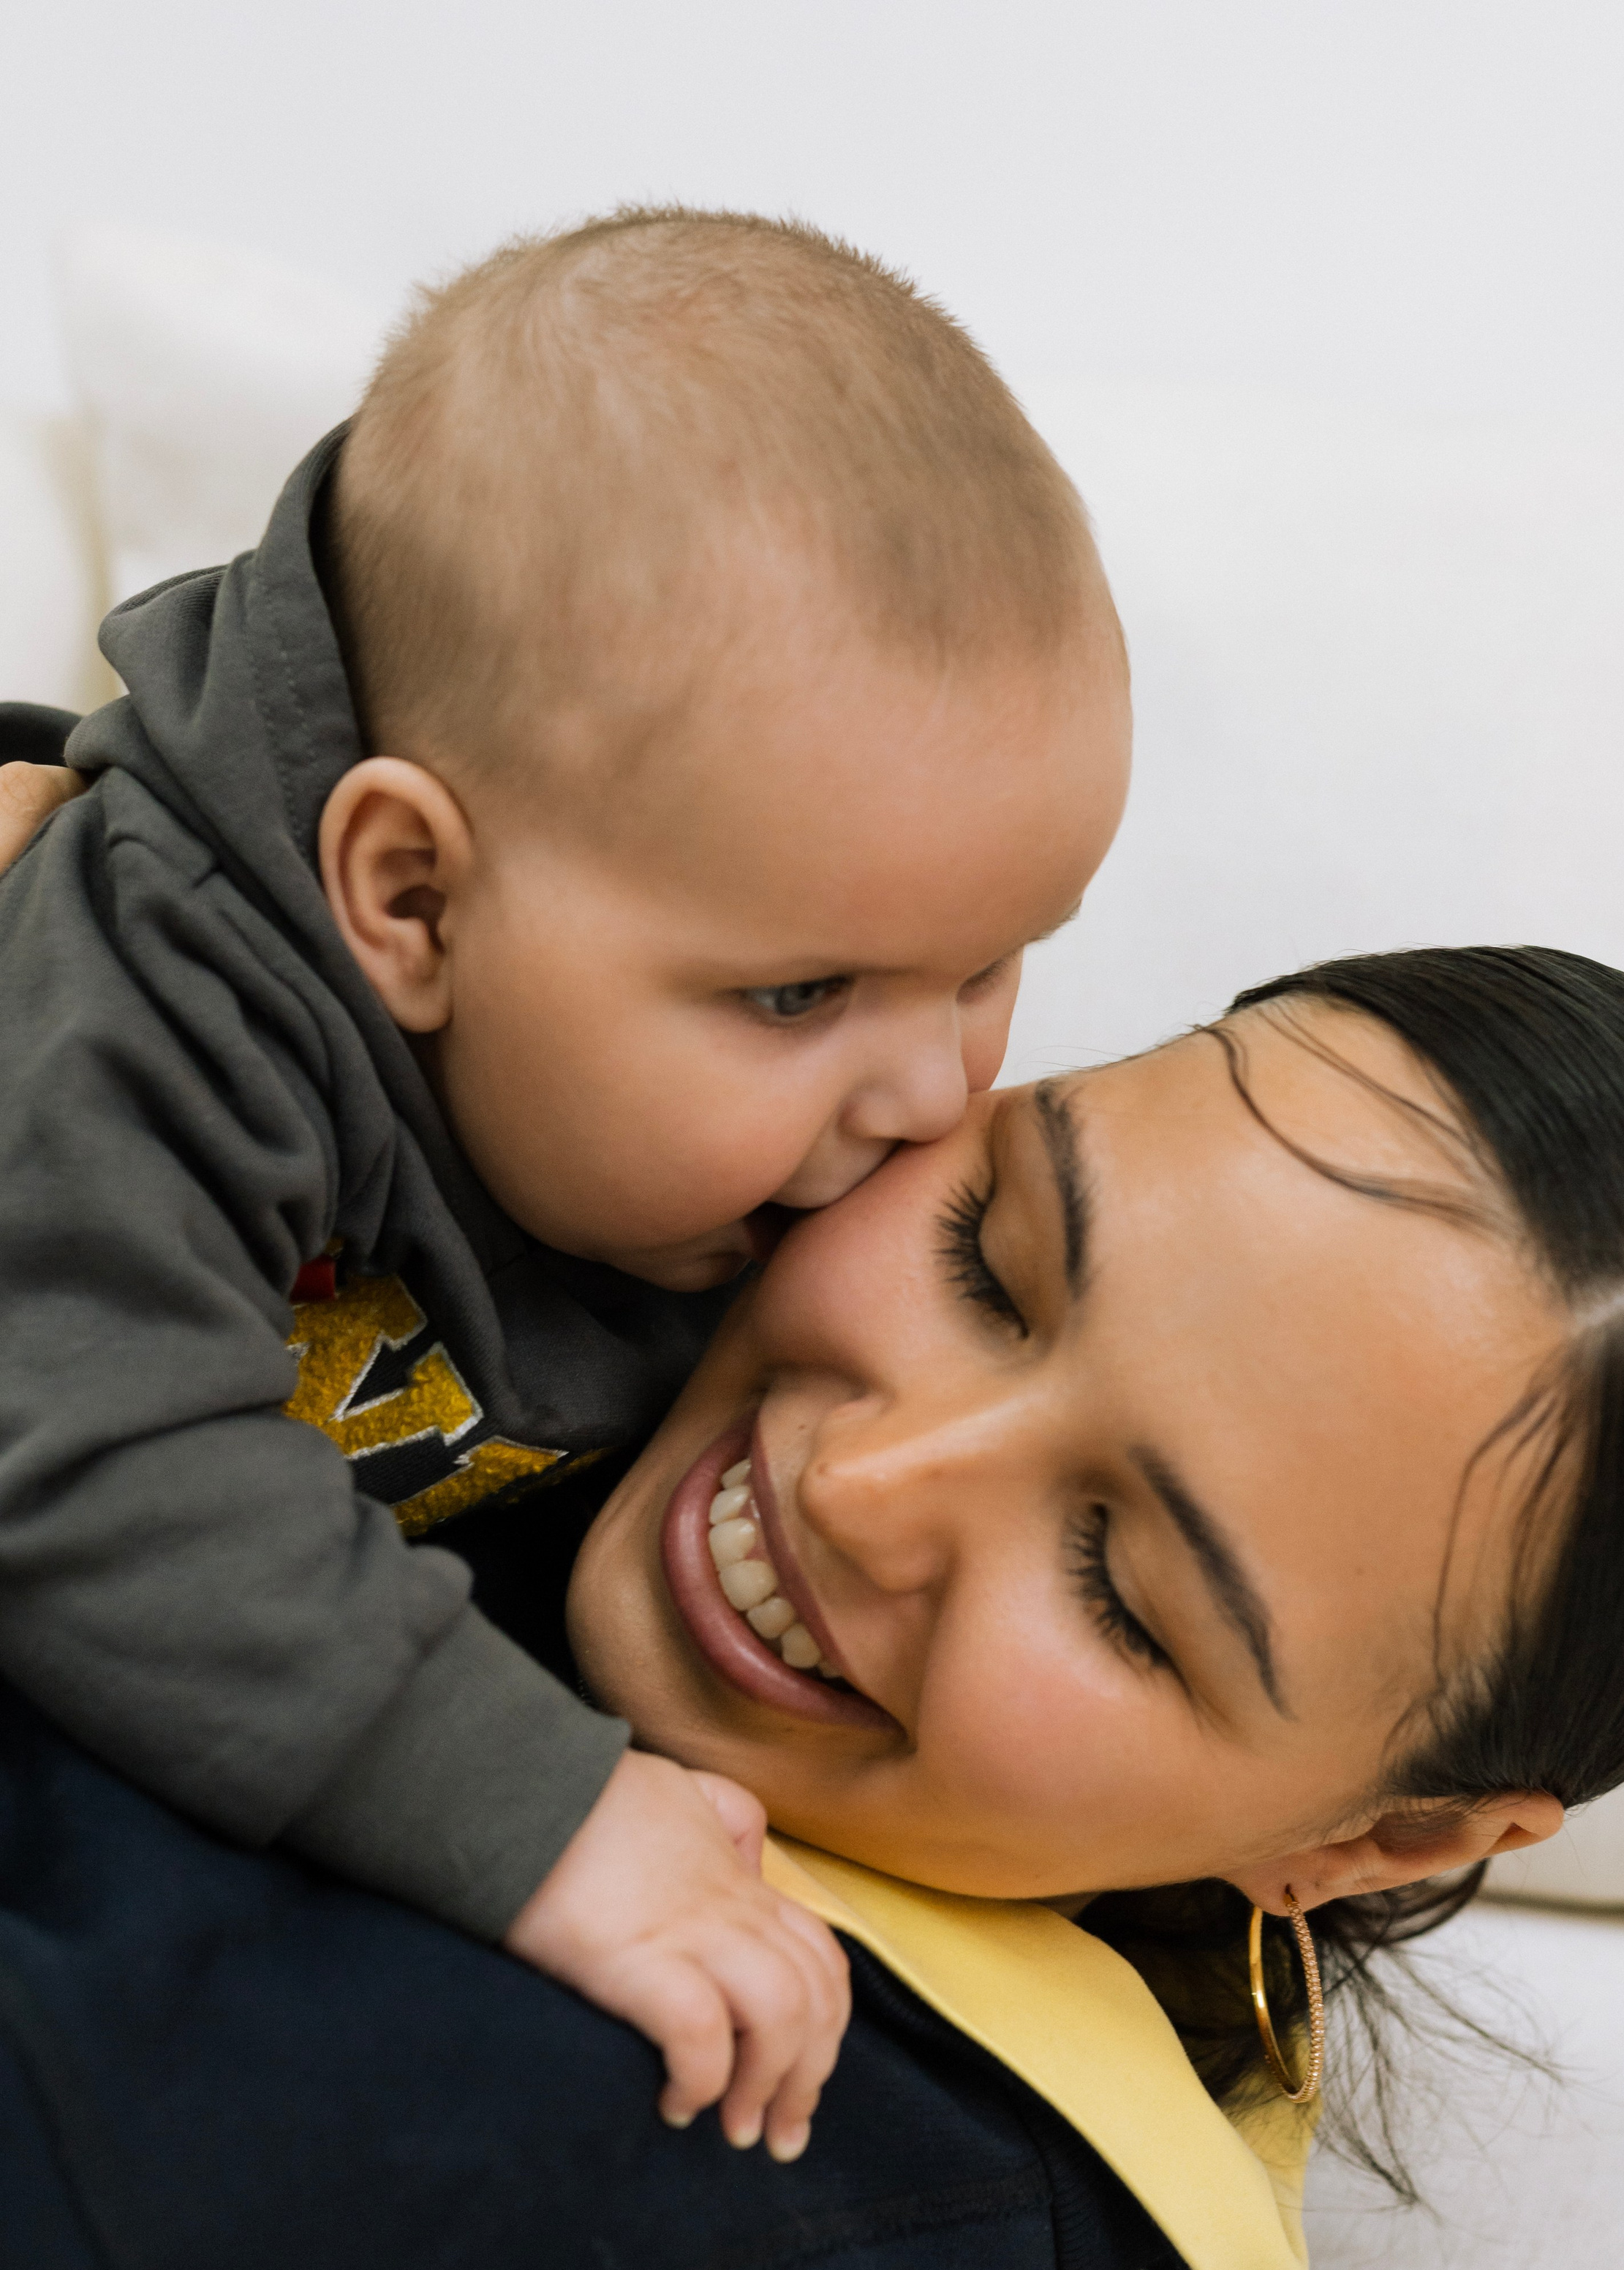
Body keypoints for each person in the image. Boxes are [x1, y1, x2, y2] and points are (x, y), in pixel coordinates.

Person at [3, 943, 1624, 2270]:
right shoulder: (608, 1194)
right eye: (991, 1253)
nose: (866, 1484)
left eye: (1126, 1591)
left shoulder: (731, 2164)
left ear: (1375, 1839)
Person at [0, 208, 1130, 2162]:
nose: (932, 1086)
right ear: (412, 897)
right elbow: (87, 1439)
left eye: (989, 964)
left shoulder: (717, 1142)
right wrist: (527, 1812)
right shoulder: (157, 994)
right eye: (799, 990)